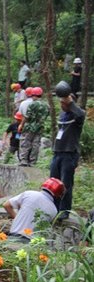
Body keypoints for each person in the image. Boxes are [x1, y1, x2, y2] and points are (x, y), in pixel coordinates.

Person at [50, 81, 86, 219]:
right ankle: (54, 207)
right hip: (58, 153)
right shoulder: (63, 116)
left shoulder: (77, 116)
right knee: (54, 182)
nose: (61, 105)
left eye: (63, 103)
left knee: (66, 183)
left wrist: (69, 100)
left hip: (69, 153)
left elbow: (80, 114)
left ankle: (64, 211)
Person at [18, 87, 48, 167]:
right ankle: (32, 162)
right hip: (39, 127)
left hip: (29, 127)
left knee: (26, 143)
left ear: (33, 95)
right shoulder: (46, 106)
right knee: (36, 144)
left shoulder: (32, 104)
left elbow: (27, 116)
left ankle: (24, 160)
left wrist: (21, 124)